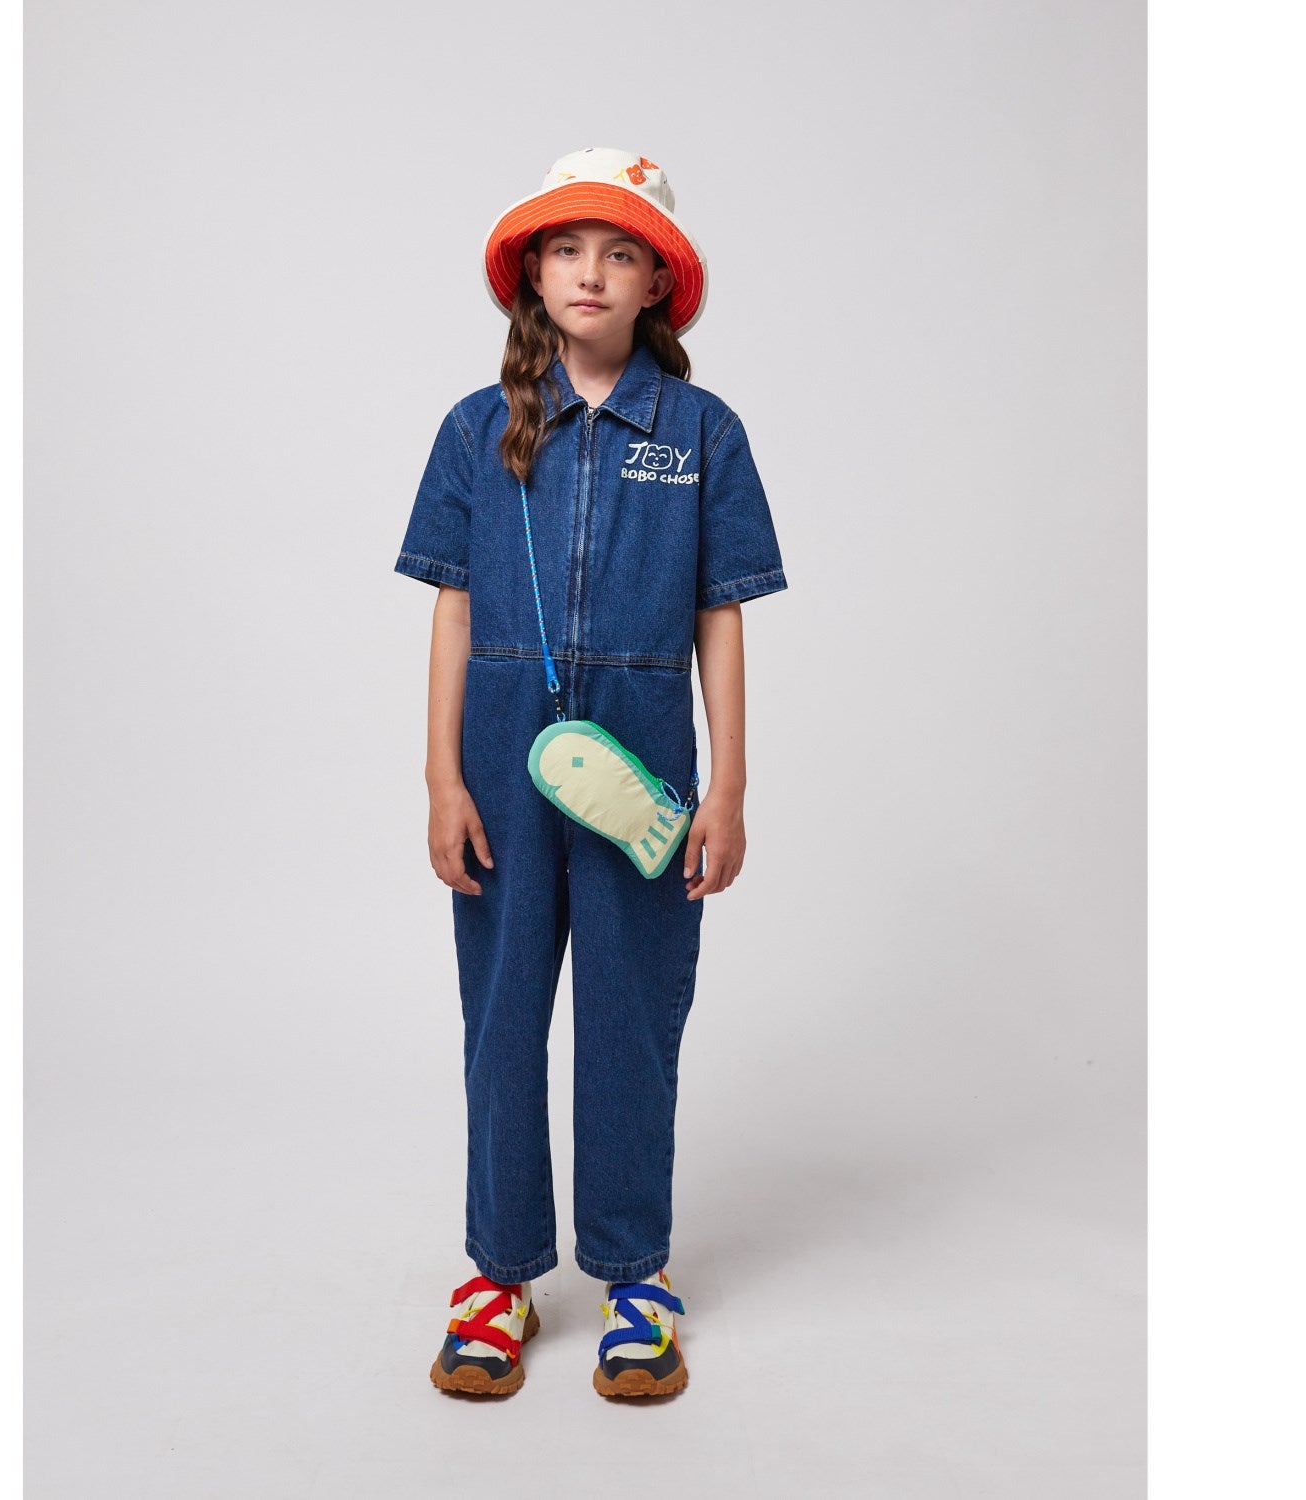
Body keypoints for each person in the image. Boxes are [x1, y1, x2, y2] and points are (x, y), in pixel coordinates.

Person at [392, 146, 789, 1398]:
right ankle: (497, 1276)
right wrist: (442, 779)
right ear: (533, 272)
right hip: (502, 748)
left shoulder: (704, 434)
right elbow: (454, 609)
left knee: (632, 1016)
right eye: (567, 248)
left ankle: (635, 1275)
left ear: (657, 283)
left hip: (644, 750)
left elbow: (721, 612)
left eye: (621, 253)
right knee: (502, 1013)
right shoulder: (477, 428)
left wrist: (728, 788)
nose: (591, 272)